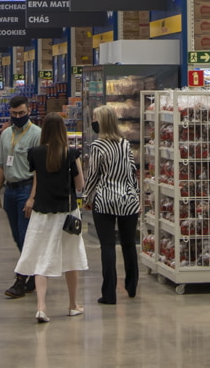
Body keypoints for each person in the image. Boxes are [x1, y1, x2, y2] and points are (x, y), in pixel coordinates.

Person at [15, 112, 88, 323]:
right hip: (67, 214)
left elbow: (36, 181)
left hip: (42, 213)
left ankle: (41, 307)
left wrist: (31, 198)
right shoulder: (71, 153)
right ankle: (73, 305)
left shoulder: (35, 153)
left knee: (41, 257)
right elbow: (80, 185)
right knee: (71, 258)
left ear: (44, 130)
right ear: (63, 131)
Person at [84, 105, 140, 305]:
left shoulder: (98, 146)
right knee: (128, 244)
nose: (93, 122)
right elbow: (132, 172)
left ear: (101, 122)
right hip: (128, 199)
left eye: (95, 118)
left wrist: (86, 197)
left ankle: (109, 294)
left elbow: (93, 175)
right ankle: (132, 285)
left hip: (105, 199)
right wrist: (136, 196)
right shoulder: (125, 144)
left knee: (107, 246)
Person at [0, 95, 41, 299]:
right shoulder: (5, 134)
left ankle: (20, 280)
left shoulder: (37, 134)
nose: (18, 117)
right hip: (10, 191)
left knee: (25, 235)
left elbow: (39, 171)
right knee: (16, 236)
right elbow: (1, 164)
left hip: (26, 189)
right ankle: (34, 273)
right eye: (14, 113)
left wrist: (32, 197)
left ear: (28, 111)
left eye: (21, 113)